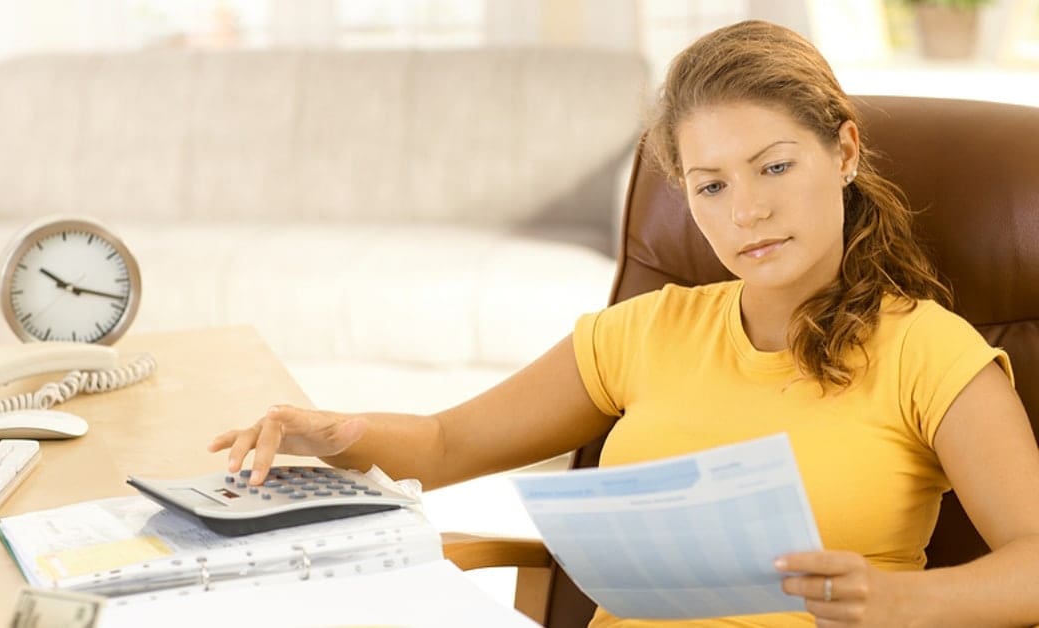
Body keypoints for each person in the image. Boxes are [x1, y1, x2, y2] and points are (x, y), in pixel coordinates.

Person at [208, 20, 1039, 627]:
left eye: (775, 166)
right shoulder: (645, 332)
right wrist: (330, 431)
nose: (747, 210)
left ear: (846, 154)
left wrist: (901, 601)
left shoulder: (928, 351)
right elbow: (443, 445)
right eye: (711, 186)